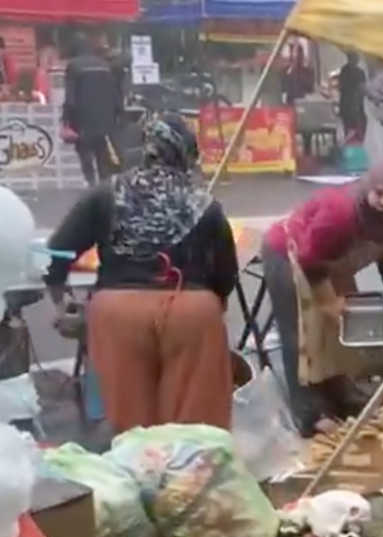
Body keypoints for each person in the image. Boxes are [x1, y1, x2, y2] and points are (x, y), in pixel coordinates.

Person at [44, 114, 240, 434]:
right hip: (190, 313)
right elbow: (226, 275)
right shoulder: (204, 203)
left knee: (130, 426)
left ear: (146, 149)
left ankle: (139, 474)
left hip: (119, 313)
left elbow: (55, 256)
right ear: (188, 154)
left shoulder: (106, 194)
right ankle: (185, 480)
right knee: (193, 429)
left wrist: (62, 302)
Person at [260, 159, 383, 437]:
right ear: (368, 187)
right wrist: (327, 302)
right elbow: (309, 260)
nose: (382, 202)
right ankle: (309, 413)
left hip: (330, 260)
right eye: (379, 194)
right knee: (302, 335)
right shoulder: (340, 213)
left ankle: (340, 395)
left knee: (339, 330)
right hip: (289, 254)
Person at [62, 34, 123, 186]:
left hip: (84, 118)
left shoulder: (74, 65)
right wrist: (118, 113)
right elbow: (115, 91)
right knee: (102, 152)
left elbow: (71, 96)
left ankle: (91, 183)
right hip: (105, 118)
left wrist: (66, 119)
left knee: (84, 152)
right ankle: (104, 185)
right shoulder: (104, 64)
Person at [337, 52, 368, 143]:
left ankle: (355, 144)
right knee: (353, 131)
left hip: (354, 107)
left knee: (354, 131)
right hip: (351, 107)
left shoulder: (347, 71)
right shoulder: (348, 72)